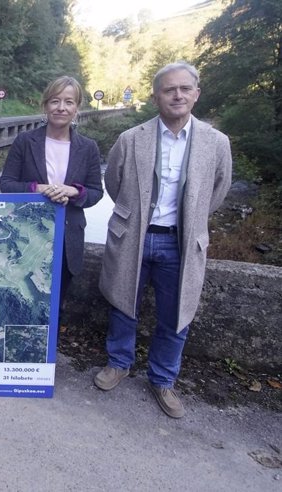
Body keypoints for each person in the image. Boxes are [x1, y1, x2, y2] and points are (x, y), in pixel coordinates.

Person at [95, 62, 232, 418]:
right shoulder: (131, 138)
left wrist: (193, 218)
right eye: (169, 89)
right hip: (134, 236)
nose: (178, 95)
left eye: (185, 89)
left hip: (181, 242)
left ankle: (162, 379)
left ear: (196, 94)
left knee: (176, 315)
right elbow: (114, 183)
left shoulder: (216, 143)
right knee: (123, 305)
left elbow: (219, 190)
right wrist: (133, 214)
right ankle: (118, 363)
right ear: (156, 96)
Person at [0, 76, 104, 319]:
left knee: (53, 306)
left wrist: (74, 192)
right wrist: (39, 189)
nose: (61, 107)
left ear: (77, 107)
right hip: (27, 236)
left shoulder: (88, 147)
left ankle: (48, 355)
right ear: (45, 105)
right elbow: (6, 184)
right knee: (20, 303)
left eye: (69, 102)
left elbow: (96, 192)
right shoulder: (25, 142)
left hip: (68, 238)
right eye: (55, 101)